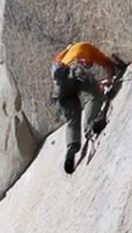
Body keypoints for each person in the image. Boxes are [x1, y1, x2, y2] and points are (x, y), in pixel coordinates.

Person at [51, 42, 127, 173]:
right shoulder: (88, 50)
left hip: (60, 86)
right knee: (94, 96)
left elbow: (56, 62)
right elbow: (107, 64)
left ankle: (72, 147)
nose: (90, 64)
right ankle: (90, 127)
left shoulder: (67, 51)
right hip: (75, 70)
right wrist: (107, 81)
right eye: (89, 63)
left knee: (72, 118)